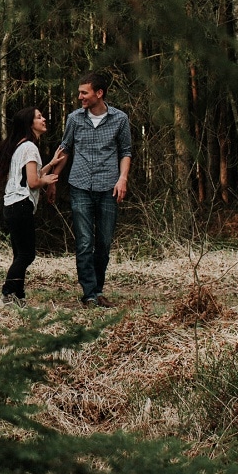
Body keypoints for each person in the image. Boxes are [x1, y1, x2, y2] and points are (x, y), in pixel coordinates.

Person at [55, 72, 131, 307]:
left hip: (108, 187)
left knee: (104, 242)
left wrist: (122, 179)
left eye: (84, 92)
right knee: (85, 241)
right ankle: (89, 293)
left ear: (99, 93)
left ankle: (98, 290)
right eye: (79, 92)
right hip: (80, 186)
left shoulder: (120, 119)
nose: (80, 97)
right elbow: (65, 149)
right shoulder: (74, 119)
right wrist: (52, 179)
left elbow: (125, 151)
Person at [0, 106, 61, 304]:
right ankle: (8, 294)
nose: (44, 119)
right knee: (27, 254)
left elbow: (28, 177)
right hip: (21, 205)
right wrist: (48, 181)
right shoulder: (30, 148)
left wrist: (51, 164)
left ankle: (17, 296)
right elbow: (34, 182)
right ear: (29, 124)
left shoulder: (21, 146)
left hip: (11, 205)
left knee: (20, 254)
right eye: (39, 117)